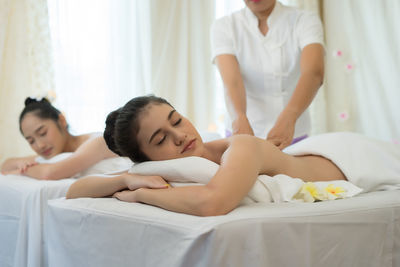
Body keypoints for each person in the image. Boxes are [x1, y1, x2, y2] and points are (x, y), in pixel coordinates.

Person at [66, 95, 347, 216]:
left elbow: (213, 202)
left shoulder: (241, 147)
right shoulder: (161, 169)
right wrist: (127, 179)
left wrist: (139, 194)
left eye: (177, 121)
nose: (180, 136)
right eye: (161, 138)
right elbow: (75, 191)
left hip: (340, 158)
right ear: (146, 159)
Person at [211, 0, 325, 149]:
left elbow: (313, 73)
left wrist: (290, 116)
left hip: (294, 133)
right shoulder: (224, 26)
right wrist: (239, 118)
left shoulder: (304, 20)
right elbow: (232, 81)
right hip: (242, 131)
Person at [0, 97, 121, 180]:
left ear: (61, 120)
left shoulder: (98, 142)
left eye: (42, 133)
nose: (40, 145)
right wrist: (20, 163)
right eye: (31, 141)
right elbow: (5, 165)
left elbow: (50, 173)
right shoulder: (56, 154)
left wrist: (20, 171)